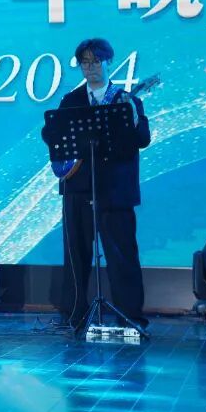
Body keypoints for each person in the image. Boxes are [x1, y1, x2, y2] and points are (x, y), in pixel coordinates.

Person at [42, 38, 150, 329]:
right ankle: (75, 315)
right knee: (76, 256)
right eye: (85, 62)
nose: (90, 67)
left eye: (96, 61)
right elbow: (51, 134)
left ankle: (130, 318)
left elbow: (143, 139)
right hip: (78, 188)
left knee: (122, 256)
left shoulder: (127, 100)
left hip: (115, 191)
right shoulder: (71, 101)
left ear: (108, 62)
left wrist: (134, 117)